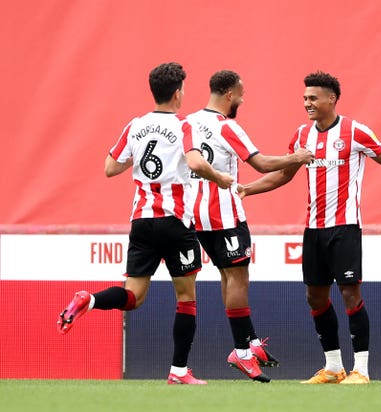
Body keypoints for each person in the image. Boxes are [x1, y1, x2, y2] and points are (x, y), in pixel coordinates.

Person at [241, 71, 381, 384]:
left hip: (345, 228)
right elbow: (283, 175)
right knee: (315, 297)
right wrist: (248, 188)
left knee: (349, 293)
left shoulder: (355, 131)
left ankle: (362, 370)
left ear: (332, 98)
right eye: (304, 98)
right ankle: (332, 367)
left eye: (313, 98)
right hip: (313, 230)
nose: (307, 104)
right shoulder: (302, 136)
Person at [57, 62, 234, 385]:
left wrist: (141, 160)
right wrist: (219, 176)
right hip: (174, 221)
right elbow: (195, 161)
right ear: (178, 93)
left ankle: (90, 299)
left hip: (142, 221)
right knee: (186, 298)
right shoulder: (183, 125)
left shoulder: (135, 125)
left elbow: (111, 167)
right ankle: (179, 371)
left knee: (133, 297)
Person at [186, 70, 314, 382]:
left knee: (228, 277)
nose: (242, 100)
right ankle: (242, 351)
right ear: (229, 94)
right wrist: (297, 157)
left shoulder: (187, 122)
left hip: (197, 215)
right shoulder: (228, 127)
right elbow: (261, 164)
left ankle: (250, 343)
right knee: (239, 278)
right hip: (226, 214)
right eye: (241, 95)